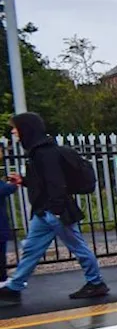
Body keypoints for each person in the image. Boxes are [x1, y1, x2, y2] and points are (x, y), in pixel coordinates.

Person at [0, 113, 109, 305]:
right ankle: (14, 287)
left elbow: (56, 184)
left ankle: (96, 282)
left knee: (78, 247)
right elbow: (42, 183)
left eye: (15, 127)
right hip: (45, 212)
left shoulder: (44, 153)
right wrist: (23, 181)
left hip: (54, 212)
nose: (13, 131)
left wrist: (56, 212)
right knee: (32, 249)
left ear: (27, 129)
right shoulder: (38, 152)